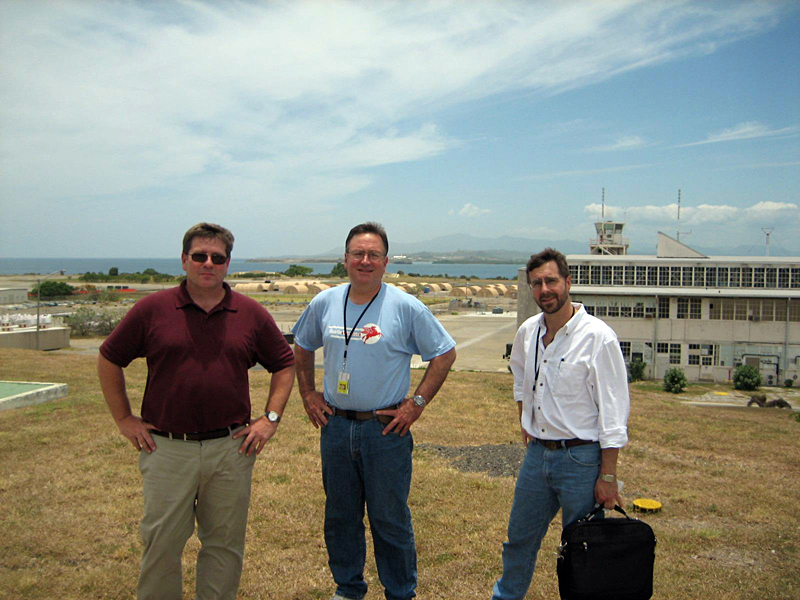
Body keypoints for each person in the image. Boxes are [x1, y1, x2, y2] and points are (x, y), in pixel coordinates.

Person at [97, 222, 295, 600]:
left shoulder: (250, 314)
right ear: (184, 260)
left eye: (217, 258)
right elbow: (109, 358)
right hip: (167, 449)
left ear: (227, 264)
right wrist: (124, 419)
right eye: (200, 256)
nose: (208, 263)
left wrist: (269, 420)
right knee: (161, 545)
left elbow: (283, 364)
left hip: (230, 449)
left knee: (223, 546)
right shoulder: (152, 309)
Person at [292, 222, 457, 600]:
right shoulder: (325, 302)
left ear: (386, 262)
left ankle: (400, 592)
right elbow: (302, 345)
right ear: (345, 259)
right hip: (336, 427)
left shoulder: (405, 307)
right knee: (340, 518)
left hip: (384, 431)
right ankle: (348, 588)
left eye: (374, 255)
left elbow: (444, 353)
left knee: (389, 519)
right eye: (358, 254)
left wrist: (416, 405)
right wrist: (307, 393)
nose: (365, 261)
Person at [491, 248, 630, 600]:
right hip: (537, 457)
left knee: (583, 548)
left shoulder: (598, 337)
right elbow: (520, 375)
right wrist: (526, 416)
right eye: (536, 283)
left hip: (581, 461)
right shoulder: (528, 331)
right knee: (519, 539)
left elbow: (613, 412)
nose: (544, 289)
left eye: (551, 280)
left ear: (568, 282)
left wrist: (608, 476)